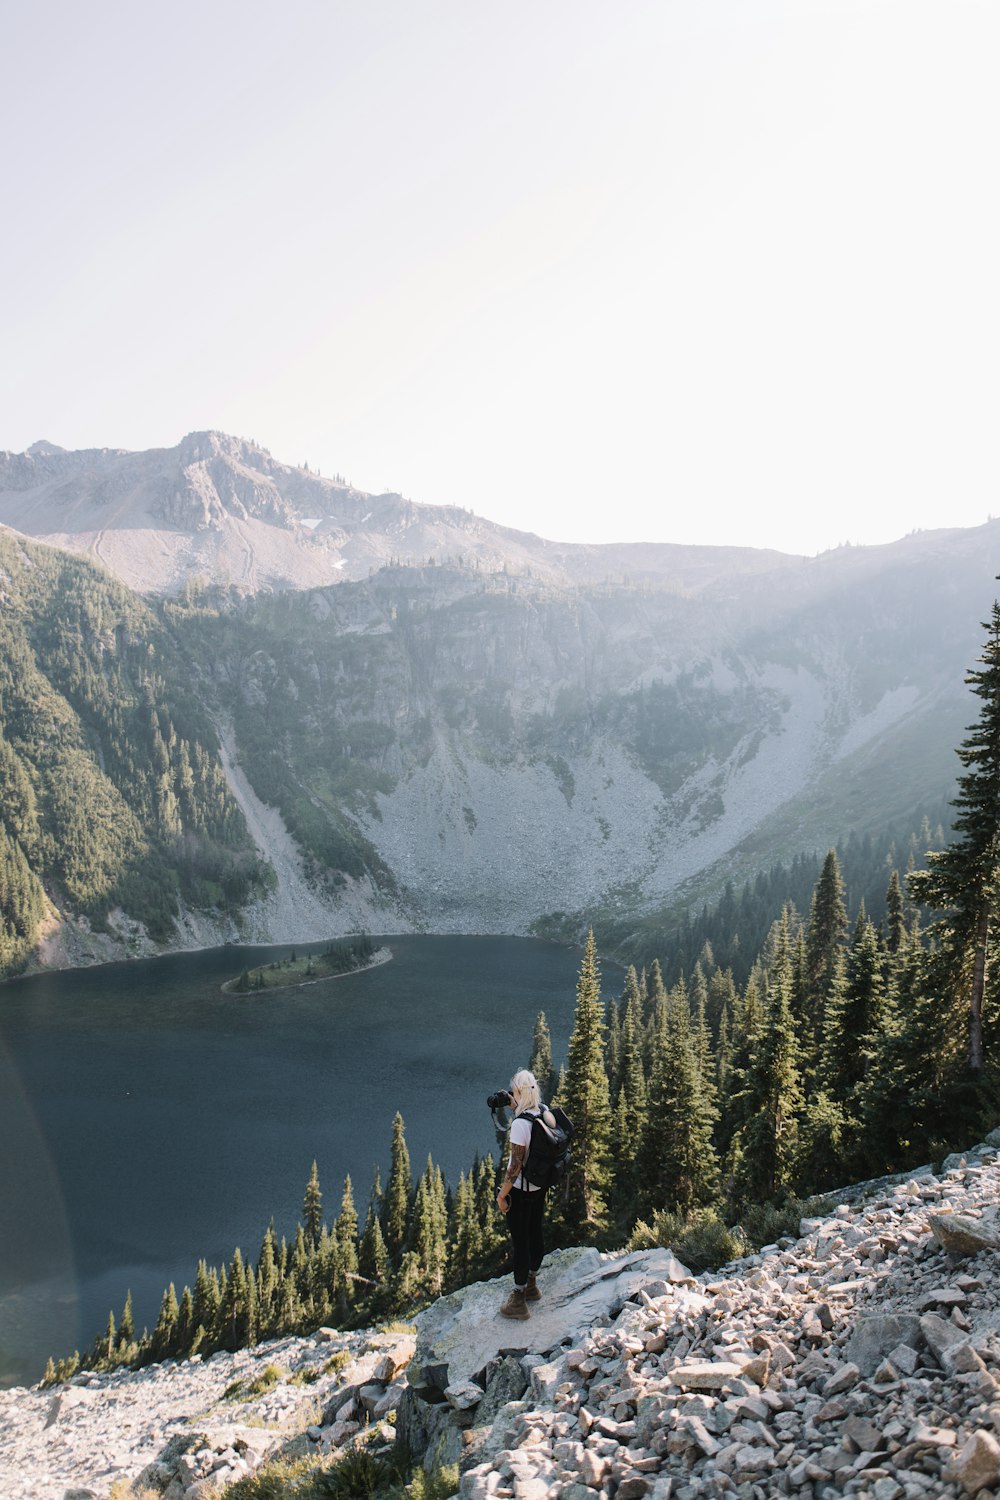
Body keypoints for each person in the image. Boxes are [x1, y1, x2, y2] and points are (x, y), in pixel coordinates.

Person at [495, 1068, 555, 1319]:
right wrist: (513, 1104)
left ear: (519, 1092)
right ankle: (531, 1285)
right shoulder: (543, 1111)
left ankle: (518, 1301)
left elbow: (515, 1166)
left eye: (514, 1092)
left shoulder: (520, 1124)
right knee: (534, 1232)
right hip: (539, 1186)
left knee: (520, 1241)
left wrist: (502, 1195)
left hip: (520, 1190)